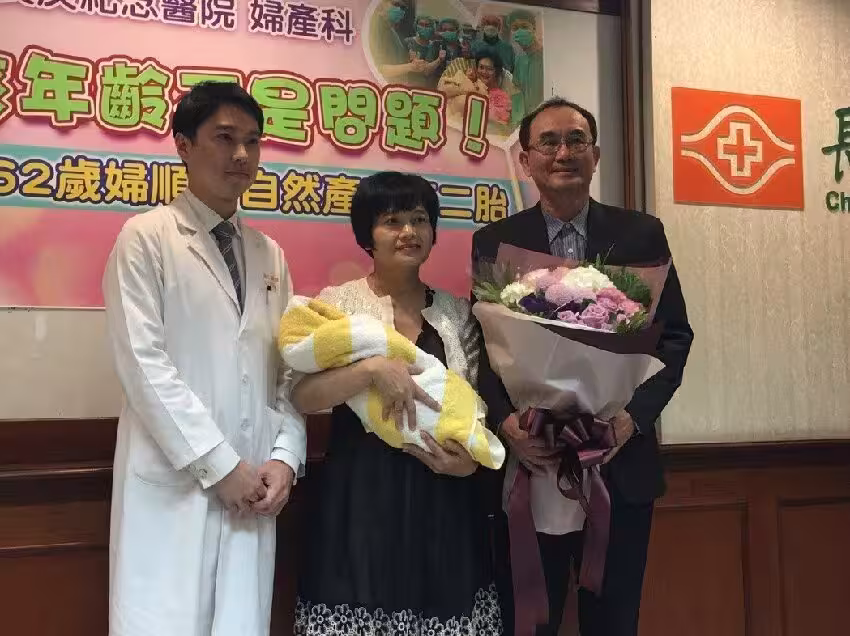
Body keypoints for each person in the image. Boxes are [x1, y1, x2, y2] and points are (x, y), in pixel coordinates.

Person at [472, 98, 694, 636]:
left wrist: (630, 421)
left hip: (618, 463)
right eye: (548, 142)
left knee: (613, 621)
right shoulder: (496, 242)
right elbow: (483, 347)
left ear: (595, 155)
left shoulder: (641, 234)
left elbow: (674, 338)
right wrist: (506, 423)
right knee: (530, 619)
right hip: (533, 460)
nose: (563, 152)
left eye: (576, 140)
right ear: (526, 159)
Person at [103, 82, 306, 636]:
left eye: (252, 141)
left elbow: (289, 370)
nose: (241, 154)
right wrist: (219, 465)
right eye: (224, 137)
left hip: (254, 486)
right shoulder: (145, 239)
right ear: (184, 146)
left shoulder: (270, 256)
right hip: (176, 486)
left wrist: (285, 458)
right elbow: (143, 365)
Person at [293, 172, 502, 635]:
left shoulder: (456, 313)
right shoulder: (336, 305)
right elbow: (302, 396)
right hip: (360, 492)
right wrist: (369, 371)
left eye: (419, 219)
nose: (408, 232)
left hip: (443, 492)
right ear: (367, 234)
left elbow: (477, 408)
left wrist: (468, 464)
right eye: (391, 221)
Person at [506, 9, 544, 127]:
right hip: (525, 121)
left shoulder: (547, 57)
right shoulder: (519, 58)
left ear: (534, 28)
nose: (519, 31)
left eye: (524, 26)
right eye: (515, 28)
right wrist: (516, 119)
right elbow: (517, 89)